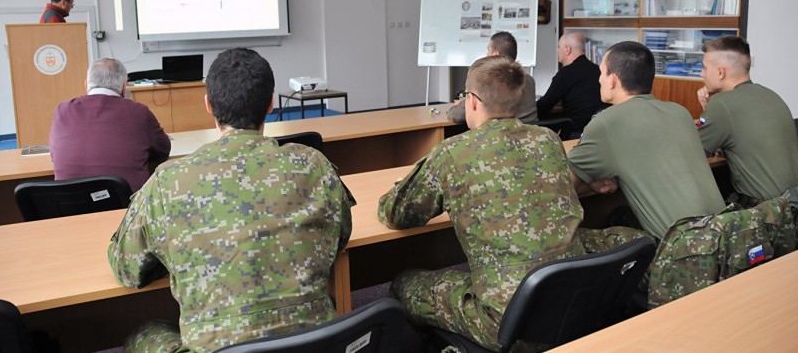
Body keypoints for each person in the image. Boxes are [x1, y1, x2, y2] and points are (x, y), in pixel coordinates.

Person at [108, 48, 355, 352]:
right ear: (271, 104)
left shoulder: (168, 181)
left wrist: (178, 252)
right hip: (315, 344)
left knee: (144, 332)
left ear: (208, 104)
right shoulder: (313, 164)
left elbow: (126, 269)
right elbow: (340, 234)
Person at [379, 56, 583, 351]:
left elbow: (396, 213)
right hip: (571, 300)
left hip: (505, 320)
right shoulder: (548, 139)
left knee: (405, 282)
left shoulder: (453, 152)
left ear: (472, 102)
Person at [568, 41, 726, 242]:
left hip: (683, 253)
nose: (599, 79)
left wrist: (591, 185)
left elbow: (562, 183)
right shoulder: (679, 112)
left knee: (576, 239)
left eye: (602, 72)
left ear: (613, 80)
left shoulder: (607, 123)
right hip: (723, 235)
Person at [696, 35, 798, 205]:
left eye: (705, 68)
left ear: (720, 72)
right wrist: (709, 111)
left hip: (767, 215)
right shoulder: (771, 95)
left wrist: (706, 112)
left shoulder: (722, 103)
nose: (702, 74)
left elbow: (693, 151)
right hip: (790, 208)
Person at [49, 58, 170, 192]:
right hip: (127, 207)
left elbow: (55, 155)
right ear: (124, 87)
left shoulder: (62, 110)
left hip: (70, 205)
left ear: (86, 84)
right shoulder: (139, 112)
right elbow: (163, 150)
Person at [447, 31, 538, 124]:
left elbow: (457, 115)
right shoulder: (529, 80)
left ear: (495, 54)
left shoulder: (489, 81)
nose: (486, 55)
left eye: (488, 51)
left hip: (499, 136)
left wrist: (462, 104)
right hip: (530, 134)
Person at [536, 32, 606, 138]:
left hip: (578, 134)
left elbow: (544, 106)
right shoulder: (598, 69)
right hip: (601, 131)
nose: (558, 50)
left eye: (559, 47)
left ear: (567, 49)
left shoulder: (566, 74)